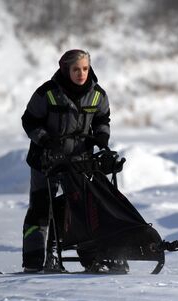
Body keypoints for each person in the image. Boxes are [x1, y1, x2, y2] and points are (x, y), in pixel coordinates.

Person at [21, 49, 111, 272]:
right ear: (64, 69)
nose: (81, 73)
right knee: (41, 210)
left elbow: (102, 119)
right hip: (46, 160)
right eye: (76, 69)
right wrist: (46, 140)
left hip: (79, 162)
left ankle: (91, 259)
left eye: (85, 68)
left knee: (83, 209)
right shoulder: (47, 93)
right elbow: (29, 121)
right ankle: (34, 262)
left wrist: (102, 136)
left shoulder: (97, 94)